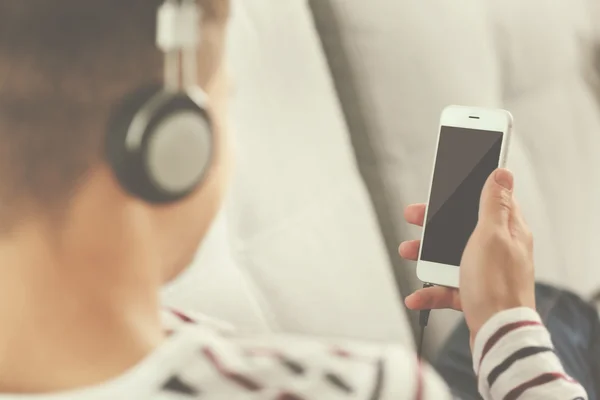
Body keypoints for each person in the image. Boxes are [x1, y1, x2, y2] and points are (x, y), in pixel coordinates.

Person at [0, 0, 589, 399]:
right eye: (223, 101)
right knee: (555, 311)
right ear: (170, 149)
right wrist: (509, 324)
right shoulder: (362, 386)